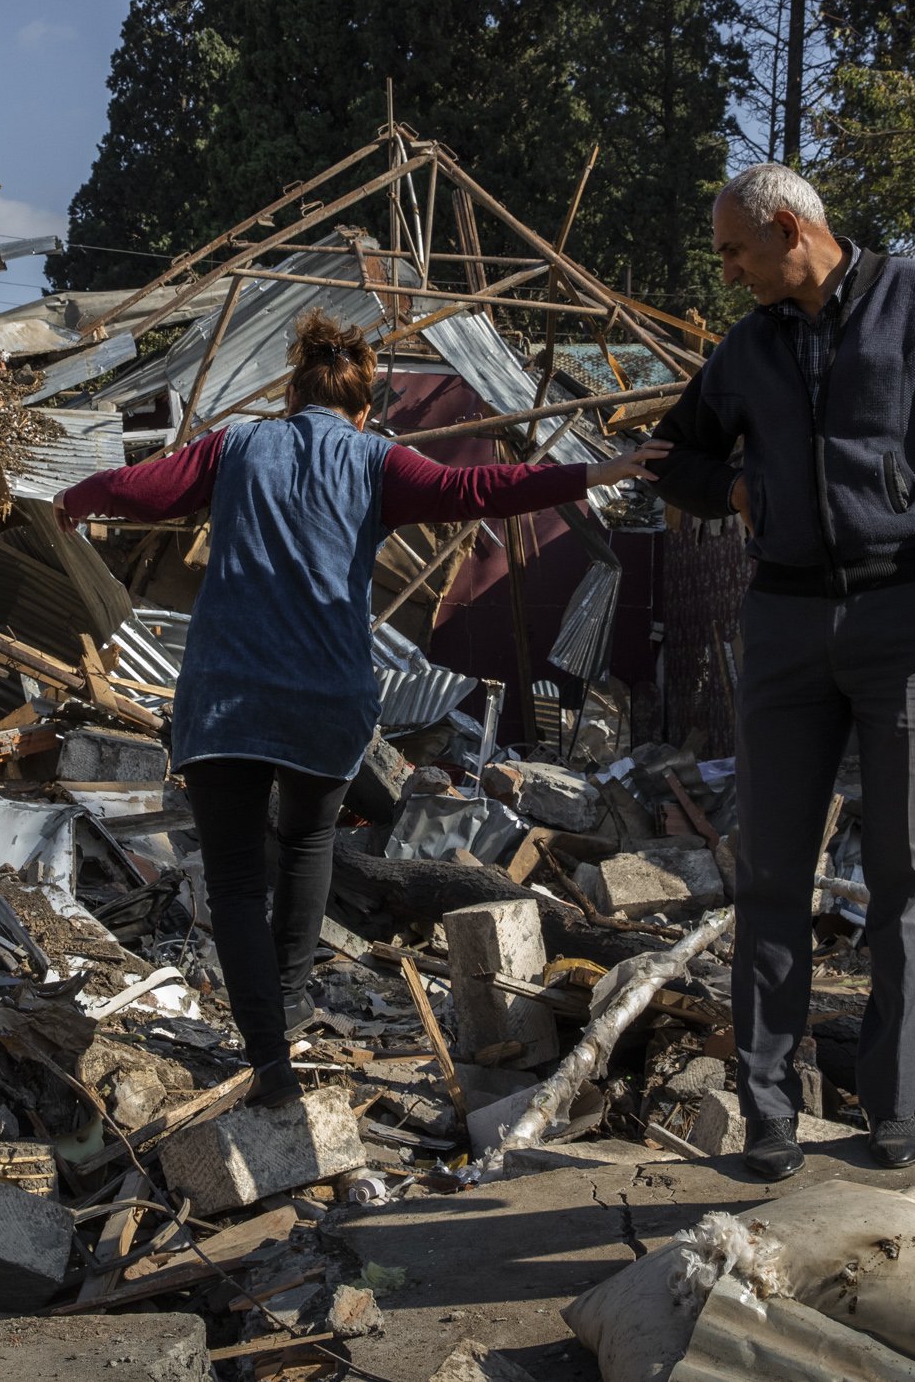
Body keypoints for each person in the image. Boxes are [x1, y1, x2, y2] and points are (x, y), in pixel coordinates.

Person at [58, 309, 669, 1107]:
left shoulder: (235, 446)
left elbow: (142, 487)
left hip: (228, 698)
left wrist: (76, 494)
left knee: (238, 879)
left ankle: (268, 1052)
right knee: (308, 843)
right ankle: (296, 996)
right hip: (324, 697)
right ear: (362, 406)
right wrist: (600, 470)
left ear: (291, 395)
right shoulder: (378, 458)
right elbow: (476, 487)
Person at [650, 164, 915, 1180]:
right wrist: (732, 484)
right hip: (781, 622)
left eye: (736, 249)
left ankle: (891, 1106)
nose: (727, 268)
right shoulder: (745, 348)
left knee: (907, 870)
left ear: (788, 230)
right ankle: (770, 1112)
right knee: (771, 870)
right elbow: (668, 454)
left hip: (908, 615)